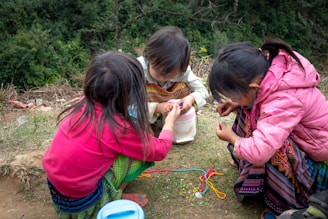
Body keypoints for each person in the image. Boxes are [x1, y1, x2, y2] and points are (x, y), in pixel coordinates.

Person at [42, 51, 181, 218]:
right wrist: (170, 121)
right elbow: (159, 150)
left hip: (58, 193)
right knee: (139, 153)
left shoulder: (83, 104)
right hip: (84, 201)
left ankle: (109, 196)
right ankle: (110, 199)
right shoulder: (117, 127)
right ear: (130, 93)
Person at [208, 38, 328, 218]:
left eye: (233, 95)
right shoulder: (270, 75)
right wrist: (237, 104)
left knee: (275, 148)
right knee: (247, 110)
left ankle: (283, 204)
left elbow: (261, 152)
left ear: (252, 87)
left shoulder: (283, 98)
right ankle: (245, 164)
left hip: (317, 165)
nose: (232, 99)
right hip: (303, 142)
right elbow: (259, 106)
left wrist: (233, 138)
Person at [137, 26, 209, 144]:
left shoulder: (183, 71)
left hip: (173, 116)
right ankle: (150, 129)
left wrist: (190, 99)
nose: (162, 78)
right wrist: (157, 107)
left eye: (170, 74)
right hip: (146, 115)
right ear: (148, 57)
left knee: (185, 88)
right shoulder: (137, 69)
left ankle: (177, 129)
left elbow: (203, 91)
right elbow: (129, 105)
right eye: (158, 71)